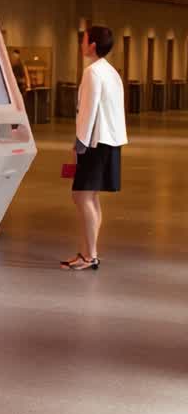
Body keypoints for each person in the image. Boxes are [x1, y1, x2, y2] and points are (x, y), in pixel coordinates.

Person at [63, 25, 126, 271]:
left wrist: (80, 143)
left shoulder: (92, 72)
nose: (81, 45)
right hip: (109, 140)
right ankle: (88, 252)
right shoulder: (111, 72)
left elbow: (88, 111)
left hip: (94, 142)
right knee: (90, 196)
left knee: (81, 195)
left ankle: (90, 256)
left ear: (92, 45)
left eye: (84, 40)